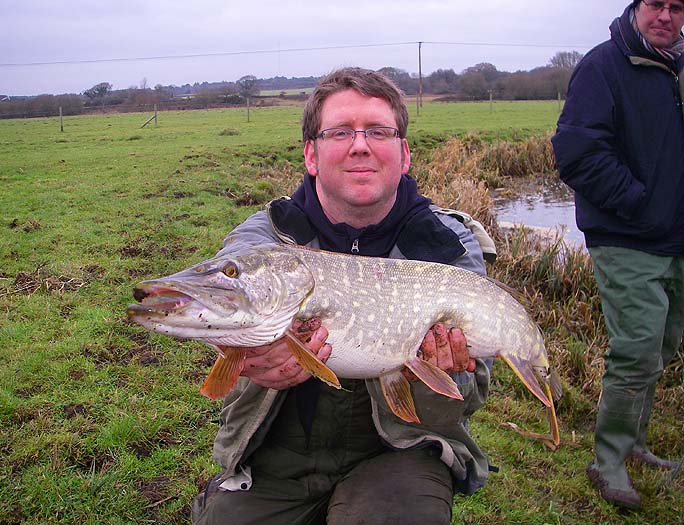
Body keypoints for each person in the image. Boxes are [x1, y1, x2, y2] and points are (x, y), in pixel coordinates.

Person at [191, 67, 494, 524]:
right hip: (279, 456)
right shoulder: (264, 240)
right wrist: (236, 349)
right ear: (311, 155)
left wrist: (434, 377)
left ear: (405, 153)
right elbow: (226, 292)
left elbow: (471, 392)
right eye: (340, 132)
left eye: (378, 131)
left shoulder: (448, 246)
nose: (360, 145)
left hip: (400, 451)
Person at [551, 0, 684, 510]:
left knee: (663, 346)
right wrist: (638, 203)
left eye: (676, 7)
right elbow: (576, 152)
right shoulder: (603, 66)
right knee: (637, 348)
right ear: (637, 7)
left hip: (677, 238)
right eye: (656, 4)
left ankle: (638, 445)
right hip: (627, 237)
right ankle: (607, 460)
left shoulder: (678, 66)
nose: (665, 16)